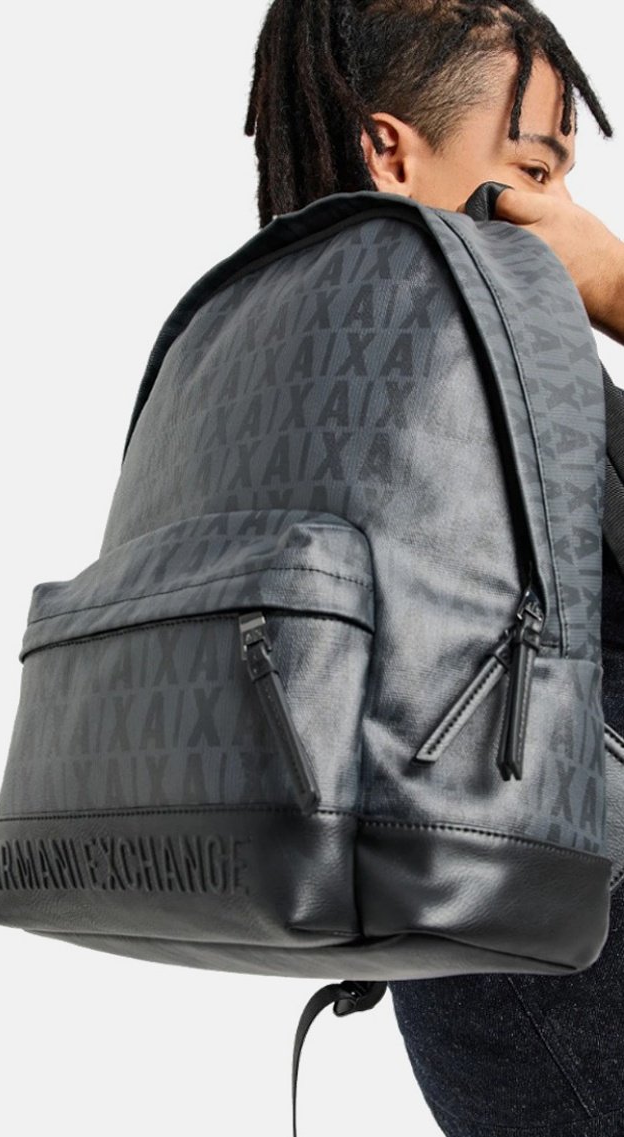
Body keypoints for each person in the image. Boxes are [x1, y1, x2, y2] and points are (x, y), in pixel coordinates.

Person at [244, 3, 624, 1135]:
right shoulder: (475, 371)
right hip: (573, 967)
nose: (562, 209)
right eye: (534, 168)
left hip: (495, 968)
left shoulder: (288, 350)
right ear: (390, 150)